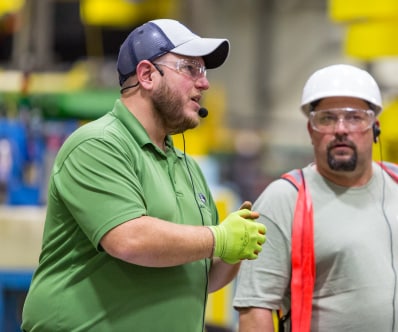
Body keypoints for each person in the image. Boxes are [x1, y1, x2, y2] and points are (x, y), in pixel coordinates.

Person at [21, 19, 266, 332]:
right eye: (190, 69)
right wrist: (219, 238)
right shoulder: (98, 145)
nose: (204, 84)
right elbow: (129, 239)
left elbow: (200, 277)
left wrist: (236, 250)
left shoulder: (187, 168)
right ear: (148, 75)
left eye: (203, 72)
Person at [233, 64, 398, 332]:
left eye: (355, 118)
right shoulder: (285, 199)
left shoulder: (395, 182)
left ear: (375, 128)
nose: (341, 129)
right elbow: (255, 309)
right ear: (311, 131)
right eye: (327, 119)